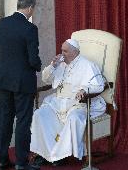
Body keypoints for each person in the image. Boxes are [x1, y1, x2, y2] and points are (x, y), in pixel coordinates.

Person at [30, 38, 106, 168]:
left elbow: (99, 85)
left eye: (65, 51)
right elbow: (45, 79)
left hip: (77, 103)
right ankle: (44, 152)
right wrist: (52, 66)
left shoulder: (87, 65)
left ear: (74, 52)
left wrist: (85, 90)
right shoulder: (60, 64)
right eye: (62, 50)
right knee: (39, 114)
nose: (62, 53)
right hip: (58, 102)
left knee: (74, 118)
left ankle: (59, 155)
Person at [0, 0, 42, 170]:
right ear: (30, 8)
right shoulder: (30, 28)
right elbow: (33, 59)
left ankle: (2, 160)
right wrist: (39, 66)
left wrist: (9, 62)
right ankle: (21, 163)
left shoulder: (3, 23)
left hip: (4, 80)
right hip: (23, 82)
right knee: (23, 121)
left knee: (4, 121)